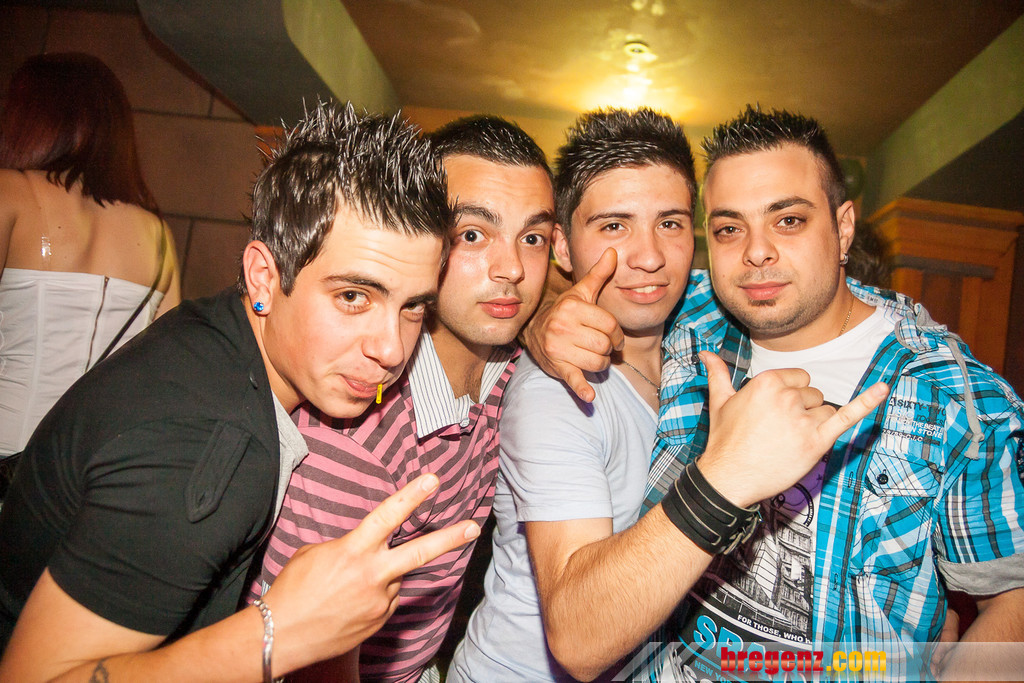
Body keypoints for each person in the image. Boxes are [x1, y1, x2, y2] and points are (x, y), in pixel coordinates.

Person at [527, 106, 1024, 682]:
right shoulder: (693, 315)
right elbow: (579, 274)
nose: (756, 252)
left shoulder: (958, 398)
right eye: (729, 229)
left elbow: (1011, 600)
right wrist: (543, 322)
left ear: (842, 227)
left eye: (788, 220)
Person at [0, 101, 480, 681]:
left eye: (413, 308)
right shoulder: (215, 446)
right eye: (354, 296)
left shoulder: (220, 334)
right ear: (263, 276)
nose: (391, 349)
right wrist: (281, 632)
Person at [449, 108, 888, 683]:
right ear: (562, 246)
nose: (649, 257)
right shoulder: (555, 389)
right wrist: (726, 476)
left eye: (671, 224)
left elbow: (821, 290)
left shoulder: (706, 322)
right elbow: (578, 639)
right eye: (614, 226)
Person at [254, 115, 555, 683]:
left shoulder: (510, 367)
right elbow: (303, 658)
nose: (513, 269)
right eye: (472, 235)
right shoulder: (356, 433)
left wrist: (552, 319)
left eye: (532, 238)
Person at [0, 52, 181, 457]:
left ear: (32, 118)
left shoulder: (9, 192)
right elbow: (167, 369)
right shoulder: (158, 234)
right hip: (101, 466)